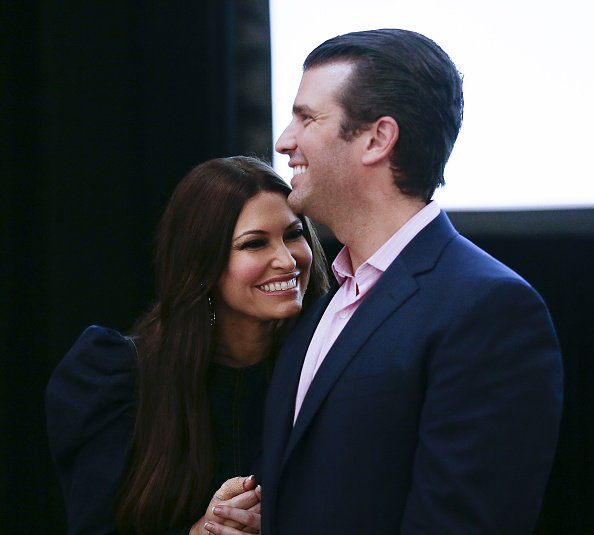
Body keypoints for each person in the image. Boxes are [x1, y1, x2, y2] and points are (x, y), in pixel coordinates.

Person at [261, 29, 563, 534]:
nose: (284, 140)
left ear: (378, 138)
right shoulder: (321, 304)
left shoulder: (489, 308)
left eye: (307, 118)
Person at [45, 156, 329, 535]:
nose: (286, 259)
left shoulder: (325, 365)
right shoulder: (114, 374)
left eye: (294, 235)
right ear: (202, 261)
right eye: (255, 243)